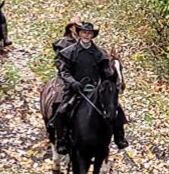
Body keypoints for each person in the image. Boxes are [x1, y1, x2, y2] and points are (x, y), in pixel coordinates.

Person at [51, 22, 129, 154]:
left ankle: (119, 137)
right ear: (80, 34)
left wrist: (112, 76)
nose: (87, 35)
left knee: (116, 108)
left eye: (90, 33)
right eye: (84, 33)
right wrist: (73, 82)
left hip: (95, 88)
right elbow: (64, 72)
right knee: (61, 111)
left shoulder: (100, 53)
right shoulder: (68, 52)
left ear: (93, 36)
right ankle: (61, 139)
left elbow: (105, 71)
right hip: (74, 89)